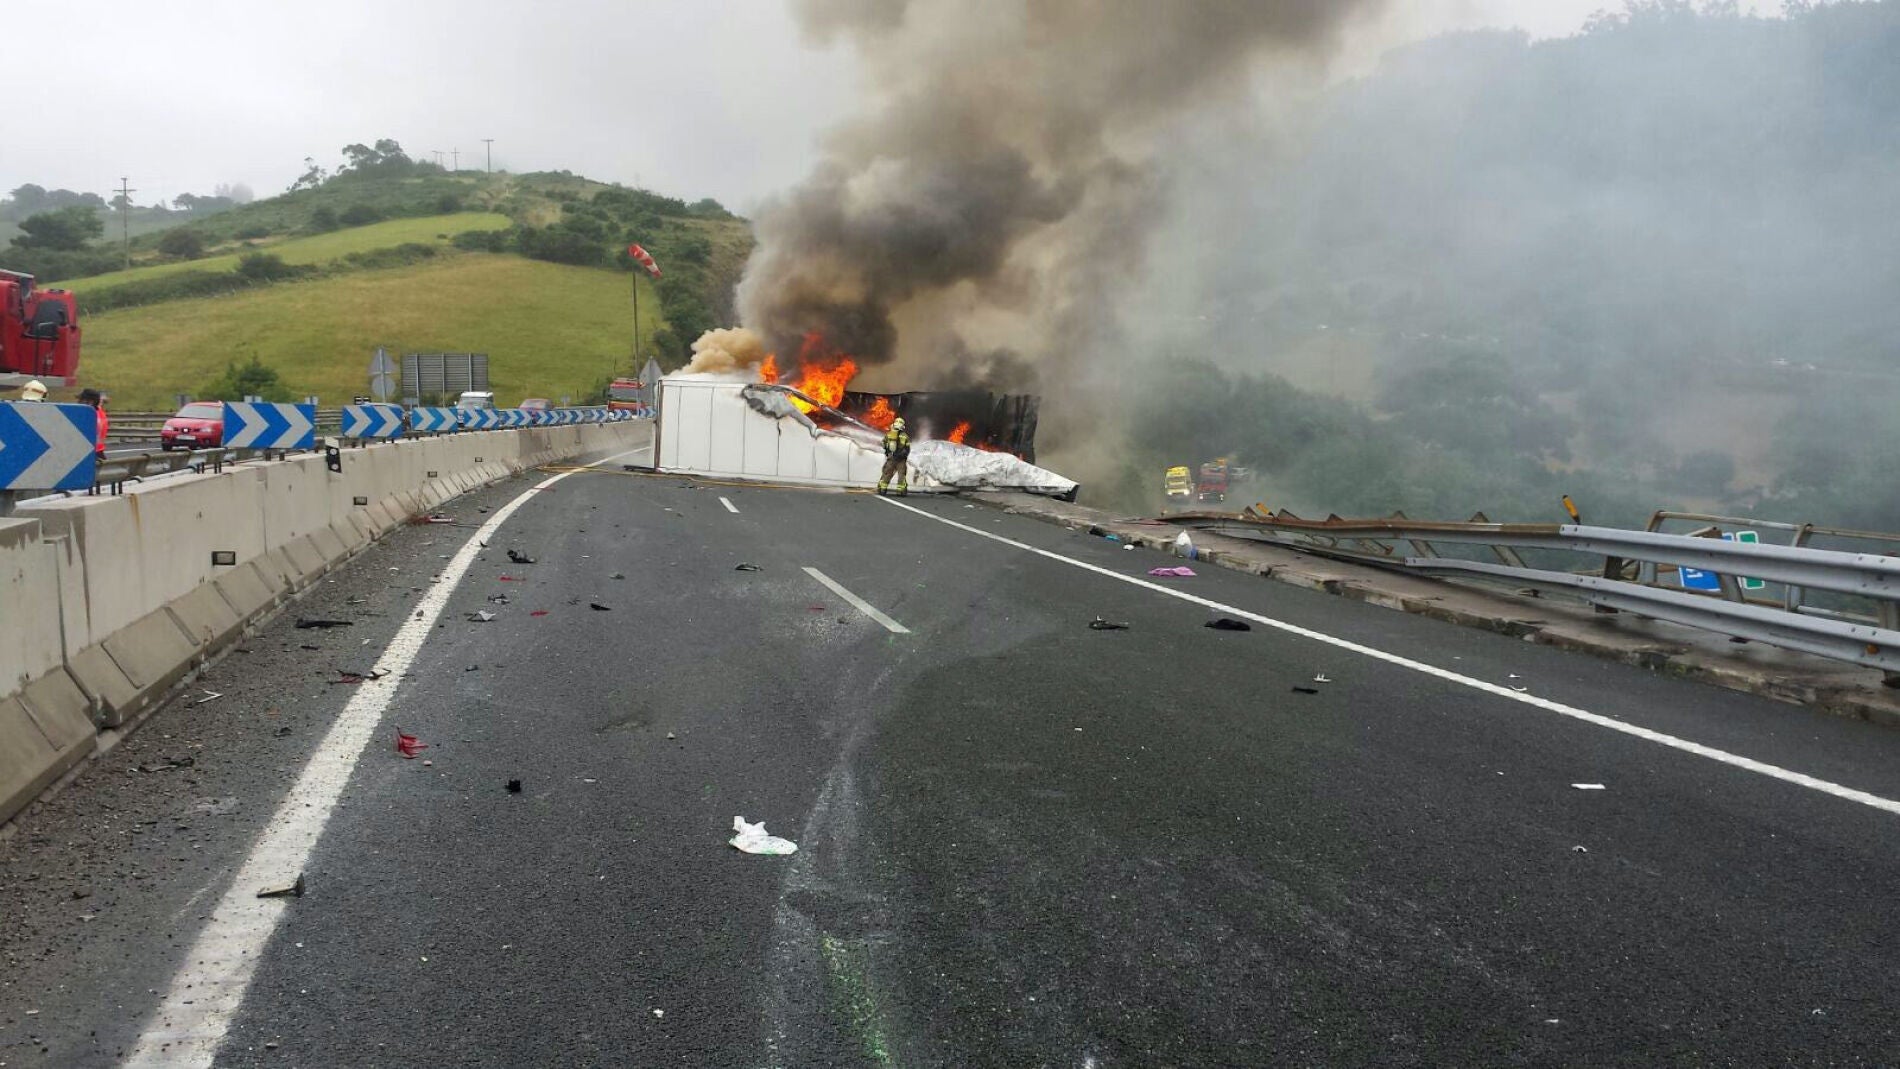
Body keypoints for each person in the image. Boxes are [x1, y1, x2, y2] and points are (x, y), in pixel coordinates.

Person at [878, 417, 911, 496]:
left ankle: (882, 489)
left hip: (891, 458)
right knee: (901, 474)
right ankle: (900, 491)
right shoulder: (905, 436)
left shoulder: (889, 434)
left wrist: (887, 451)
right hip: (901, 459)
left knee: (887, 473)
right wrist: (904, 455)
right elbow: (907, 448)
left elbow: (883, 444)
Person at [78, 388, 108, 457]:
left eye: (81, 400)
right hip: (99, 451)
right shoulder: (100, 413)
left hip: (90, 453)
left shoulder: (90, 416)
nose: (78, 402)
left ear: (90, 402)